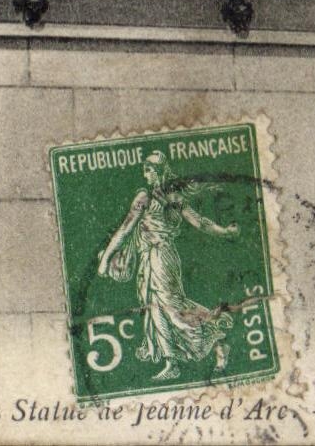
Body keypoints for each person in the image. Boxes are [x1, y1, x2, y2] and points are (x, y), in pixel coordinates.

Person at [97, 151, 239, 383]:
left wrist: (105, 260)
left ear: (159, 172)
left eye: (149, 169)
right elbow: (200, 223)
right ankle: (171, 361)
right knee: (156, 308)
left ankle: (216, 339)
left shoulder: (150, 198)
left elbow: (126, 228)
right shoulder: (170, 198)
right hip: (156, 257)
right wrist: (225, 231)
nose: (145, 174)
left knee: (170, 308)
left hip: (159, 257)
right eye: (145, 169)